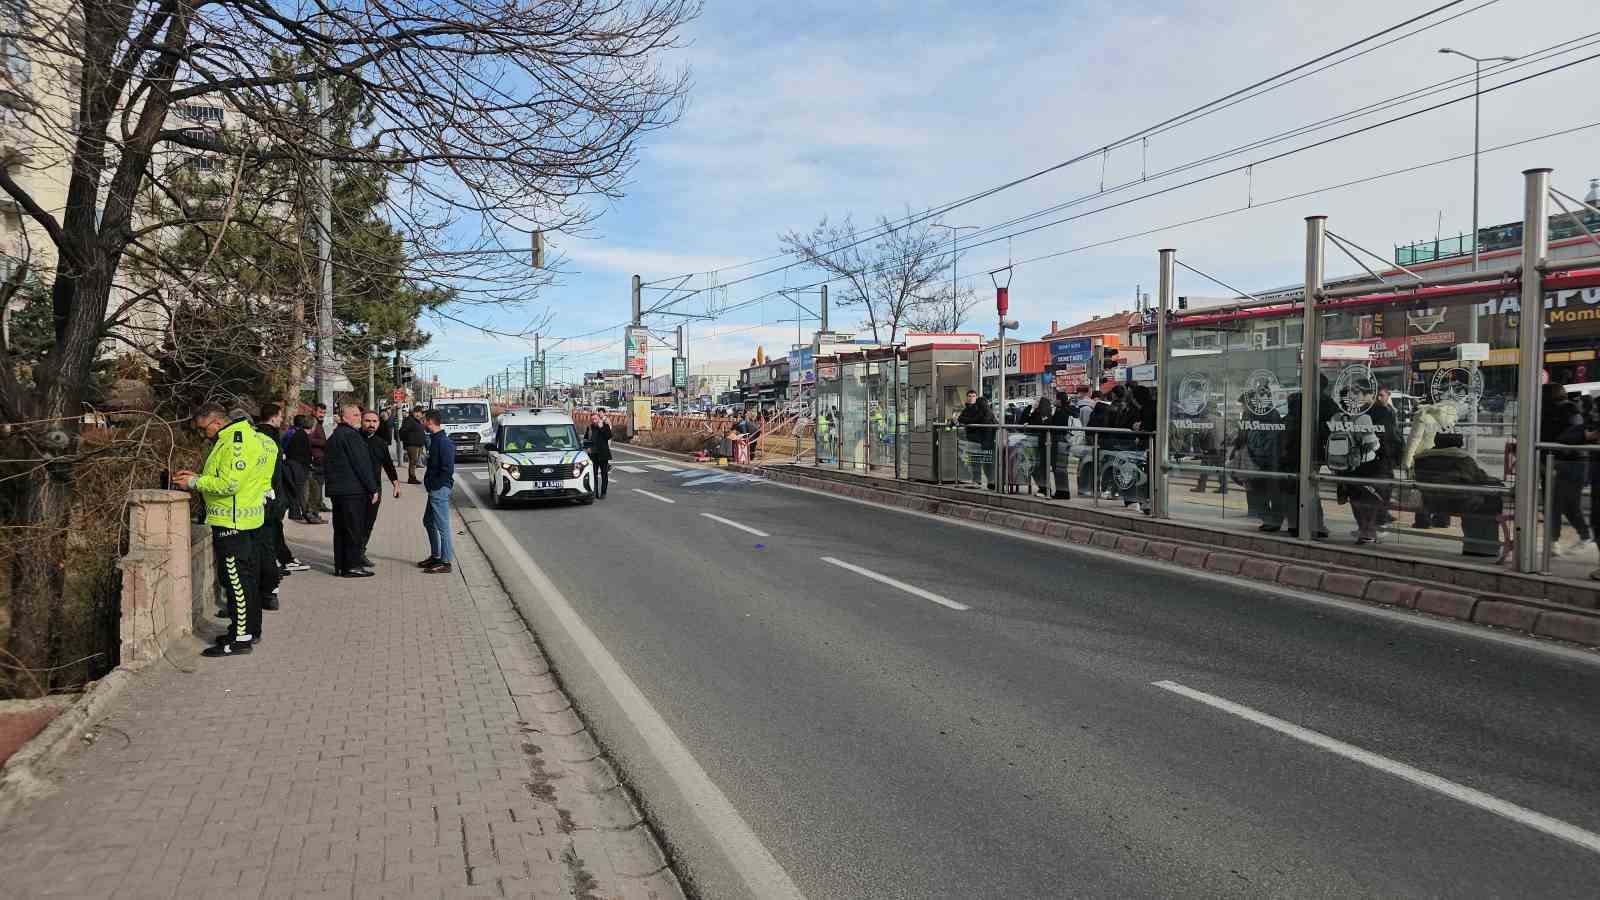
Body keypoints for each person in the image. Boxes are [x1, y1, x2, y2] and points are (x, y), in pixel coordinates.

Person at [174, 402, 270, 657]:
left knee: (236, 581)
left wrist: (193, 482)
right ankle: (249, 630)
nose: (202, 434)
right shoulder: (237, 437)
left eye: (203, 428)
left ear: (216, 421)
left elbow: (229, 484)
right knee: (247, 580)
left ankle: (240, 639)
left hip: (233, 522)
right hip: (243, 520)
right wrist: (198, 477)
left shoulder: (235, 442)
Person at [324, 403, 379, 577]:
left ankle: (341, 565)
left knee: (341, 529)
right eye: (355, 415)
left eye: (359, 415)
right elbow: (361, 464)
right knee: (353, 529)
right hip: (352, 491)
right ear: (344, 417)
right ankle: (352, 566)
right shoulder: (351, 436)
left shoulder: (336, 435)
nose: (359, 418)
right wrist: (373, 488)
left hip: (338, 491)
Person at [1327, 388, 1385, 544]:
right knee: (1369, 500)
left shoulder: (1336, 417)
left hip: (1343, 465)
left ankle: (1362, 529)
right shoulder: (1363, 418)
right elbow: (1372, 444)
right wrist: (1378, 444)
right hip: (1363, 465)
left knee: (1355, 499)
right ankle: (1368, 532)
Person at [1542, 383, 1592, 556]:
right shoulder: (1570, 410)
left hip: (1564, 462)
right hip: (1569, 462)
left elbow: (1575, 436)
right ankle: (1583, 537)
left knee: (1556, 503)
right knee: (1567, 504)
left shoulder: (1561, 410)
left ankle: (1554, 541)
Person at [361, 409, 402, 567]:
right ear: (362, 422)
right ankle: (351, 553)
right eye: (368, 421)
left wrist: (396, 484)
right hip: (356, 489)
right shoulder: (354, 439)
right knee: (355, 524)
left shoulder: (380, 443)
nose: (371, 424)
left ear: (378, 423)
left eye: (374, 421)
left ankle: (360, 552)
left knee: (368, 523)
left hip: (375, 490)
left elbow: (388, 465)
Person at [419, 409, 457, 574]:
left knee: (442, 527)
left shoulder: (443, 442)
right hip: (435, 488)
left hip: (439, 489)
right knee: (428, 521)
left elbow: (447, 469)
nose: (422, 423)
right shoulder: (435, 439)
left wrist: (435, 485)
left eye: (423, 420)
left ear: (429, 421)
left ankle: (446, 561)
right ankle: (436, 556)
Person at [955, 389, 996, 489]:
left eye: (973, 396)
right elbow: (961, 418)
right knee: (977, 462)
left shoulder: (983, 411)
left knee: (984, 462)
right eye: (969, 396)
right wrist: (970, 422)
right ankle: (983, 481)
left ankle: (989, 481)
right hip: (977, 440)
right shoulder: (968, 409)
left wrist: (969, 422)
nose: (971, 398)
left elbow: (977, 420)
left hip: (984, 440)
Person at [283, 414, 319, 523]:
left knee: (308, 490)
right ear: (312, 426)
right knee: (306, 491)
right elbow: (301, 453)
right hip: (298, 467)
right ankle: (307, 513)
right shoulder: (301, 435)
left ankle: (304, 513)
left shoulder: (299, 434)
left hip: (297, 466)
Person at [1047, 392, 1077, 500]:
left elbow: (1054, 425)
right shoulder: (1067, 409)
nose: (1054, 401)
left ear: (1059, 400)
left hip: (1060, 440)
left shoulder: (1062, 411)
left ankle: (1063, 491)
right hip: (1063, 440)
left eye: (1056, 399)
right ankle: (1061, 491)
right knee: (1059, 467)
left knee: (1059, 466)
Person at [307, 403, 330, 515]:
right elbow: (309, 438)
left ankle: (319, 503)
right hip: (316, 457)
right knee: (316, 483)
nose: (322, 415)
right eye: (320, 412)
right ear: (314, 411)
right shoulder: (312, 422)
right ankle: (315, 506)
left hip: (320, 457)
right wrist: (324, 443)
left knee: (320, 482)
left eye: (324, 413)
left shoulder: (318, 423)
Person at [585, 411, 613, 498]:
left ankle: (603, 493)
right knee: (594, 474)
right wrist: (587, 447)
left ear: (599, 419)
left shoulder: (605, 426)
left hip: (603, 454)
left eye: (595, 419)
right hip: (593, 454)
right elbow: (586, 439)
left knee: (604, 474)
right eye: (592, 419)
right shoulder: (589, 428)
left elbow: (609, 436)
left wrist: (601, 428)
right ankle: (595, 492)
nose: (594, 421)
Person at [400, 407, 428, 484]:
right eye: (416, 412)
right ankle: (412, 478)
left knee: (415, 462)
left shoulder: (418, 421)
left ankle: (413, 477)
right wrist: (407, 441)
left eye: (419, 413)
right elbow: (402, 431)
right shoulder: (409, 420)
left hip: (418, 445)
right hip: (412, 445)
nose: (418, 414)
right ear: (413, 413)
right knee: (413, 462)